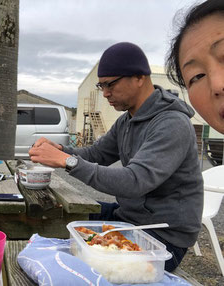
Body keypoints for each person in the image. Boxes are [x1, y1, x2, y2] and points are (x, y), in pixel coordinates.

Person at [29, 42, 203, 272]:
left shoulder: (172, 123)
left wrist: (68, 162)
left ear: (140, 77)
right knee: (53, 213)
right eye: (101, 86)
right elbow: (96, 154)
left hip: (162, 237)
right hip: (127, 218)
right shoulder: (127, 120)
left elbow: (134, 182)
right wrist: (61, 151)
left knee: (74, 262)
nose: (106, 93)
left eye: (110, 84)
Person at [166, 0, 224, 135]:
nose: (217, 86)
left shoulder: (168, 123)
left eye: (111, 84)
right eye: (197, 76)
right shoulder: (125, 122)